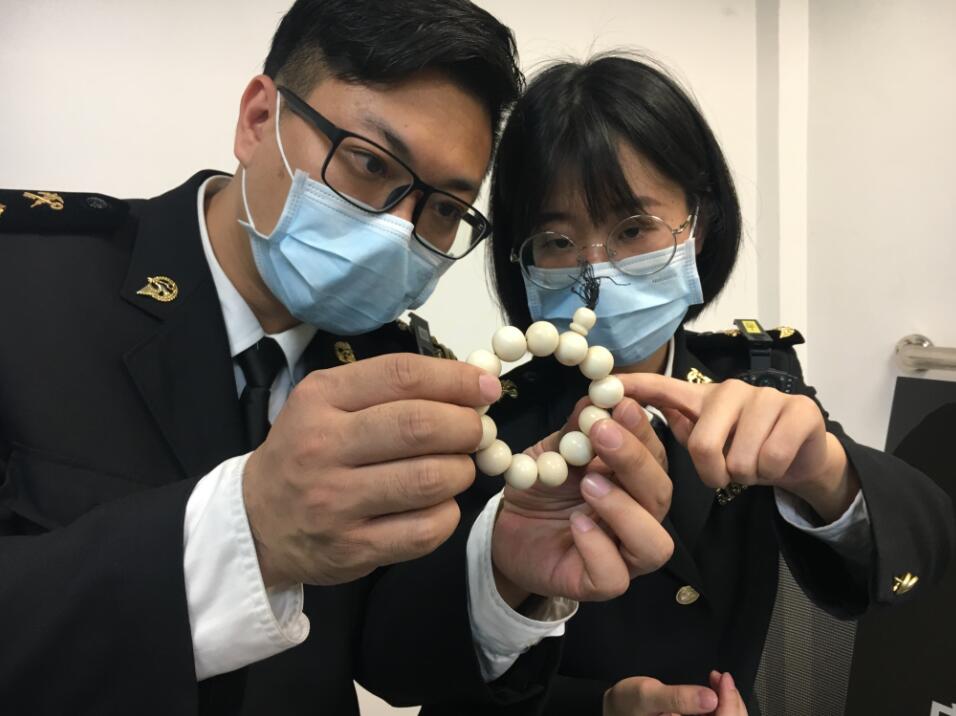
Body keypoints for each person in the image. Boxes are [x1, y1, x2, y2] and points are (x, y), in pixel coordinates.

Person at [0, 7, 678, 715]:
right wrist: (246, 534)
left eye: (445, 208)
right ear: (258, 119)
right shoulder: (24, 283)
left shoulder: (397, 370)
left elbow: (384, 654)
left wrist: (501, 573)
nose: (398, 232)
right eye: (370, 163)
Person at [420, 53, 955, 715]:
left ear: (698, 226)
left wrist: (826, 474)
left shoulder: (758, 380)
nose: (595, 272)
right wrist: (599, 708)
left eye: (633, 228)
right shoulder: (487, 425)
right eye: (556, 241)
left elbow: (921, 550)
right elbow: (432, 665)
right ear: (520, 260)